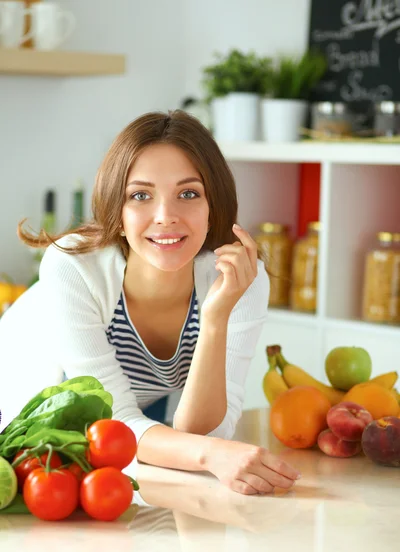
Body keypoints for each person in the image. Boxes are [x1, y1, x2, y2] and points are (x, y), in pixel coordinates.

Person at [0, 110, 301, 494]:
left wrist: (214, 318)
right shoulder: (74, 267)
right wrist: (210, 454)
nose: (165, 217)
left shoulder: (237, 277)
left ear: (214, 206)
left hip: (123, 422)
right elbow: (120, 424)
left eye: (188, 193)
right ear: (118, 210)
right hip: (21, 408)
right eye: (140, 195)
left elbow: (202, 433)